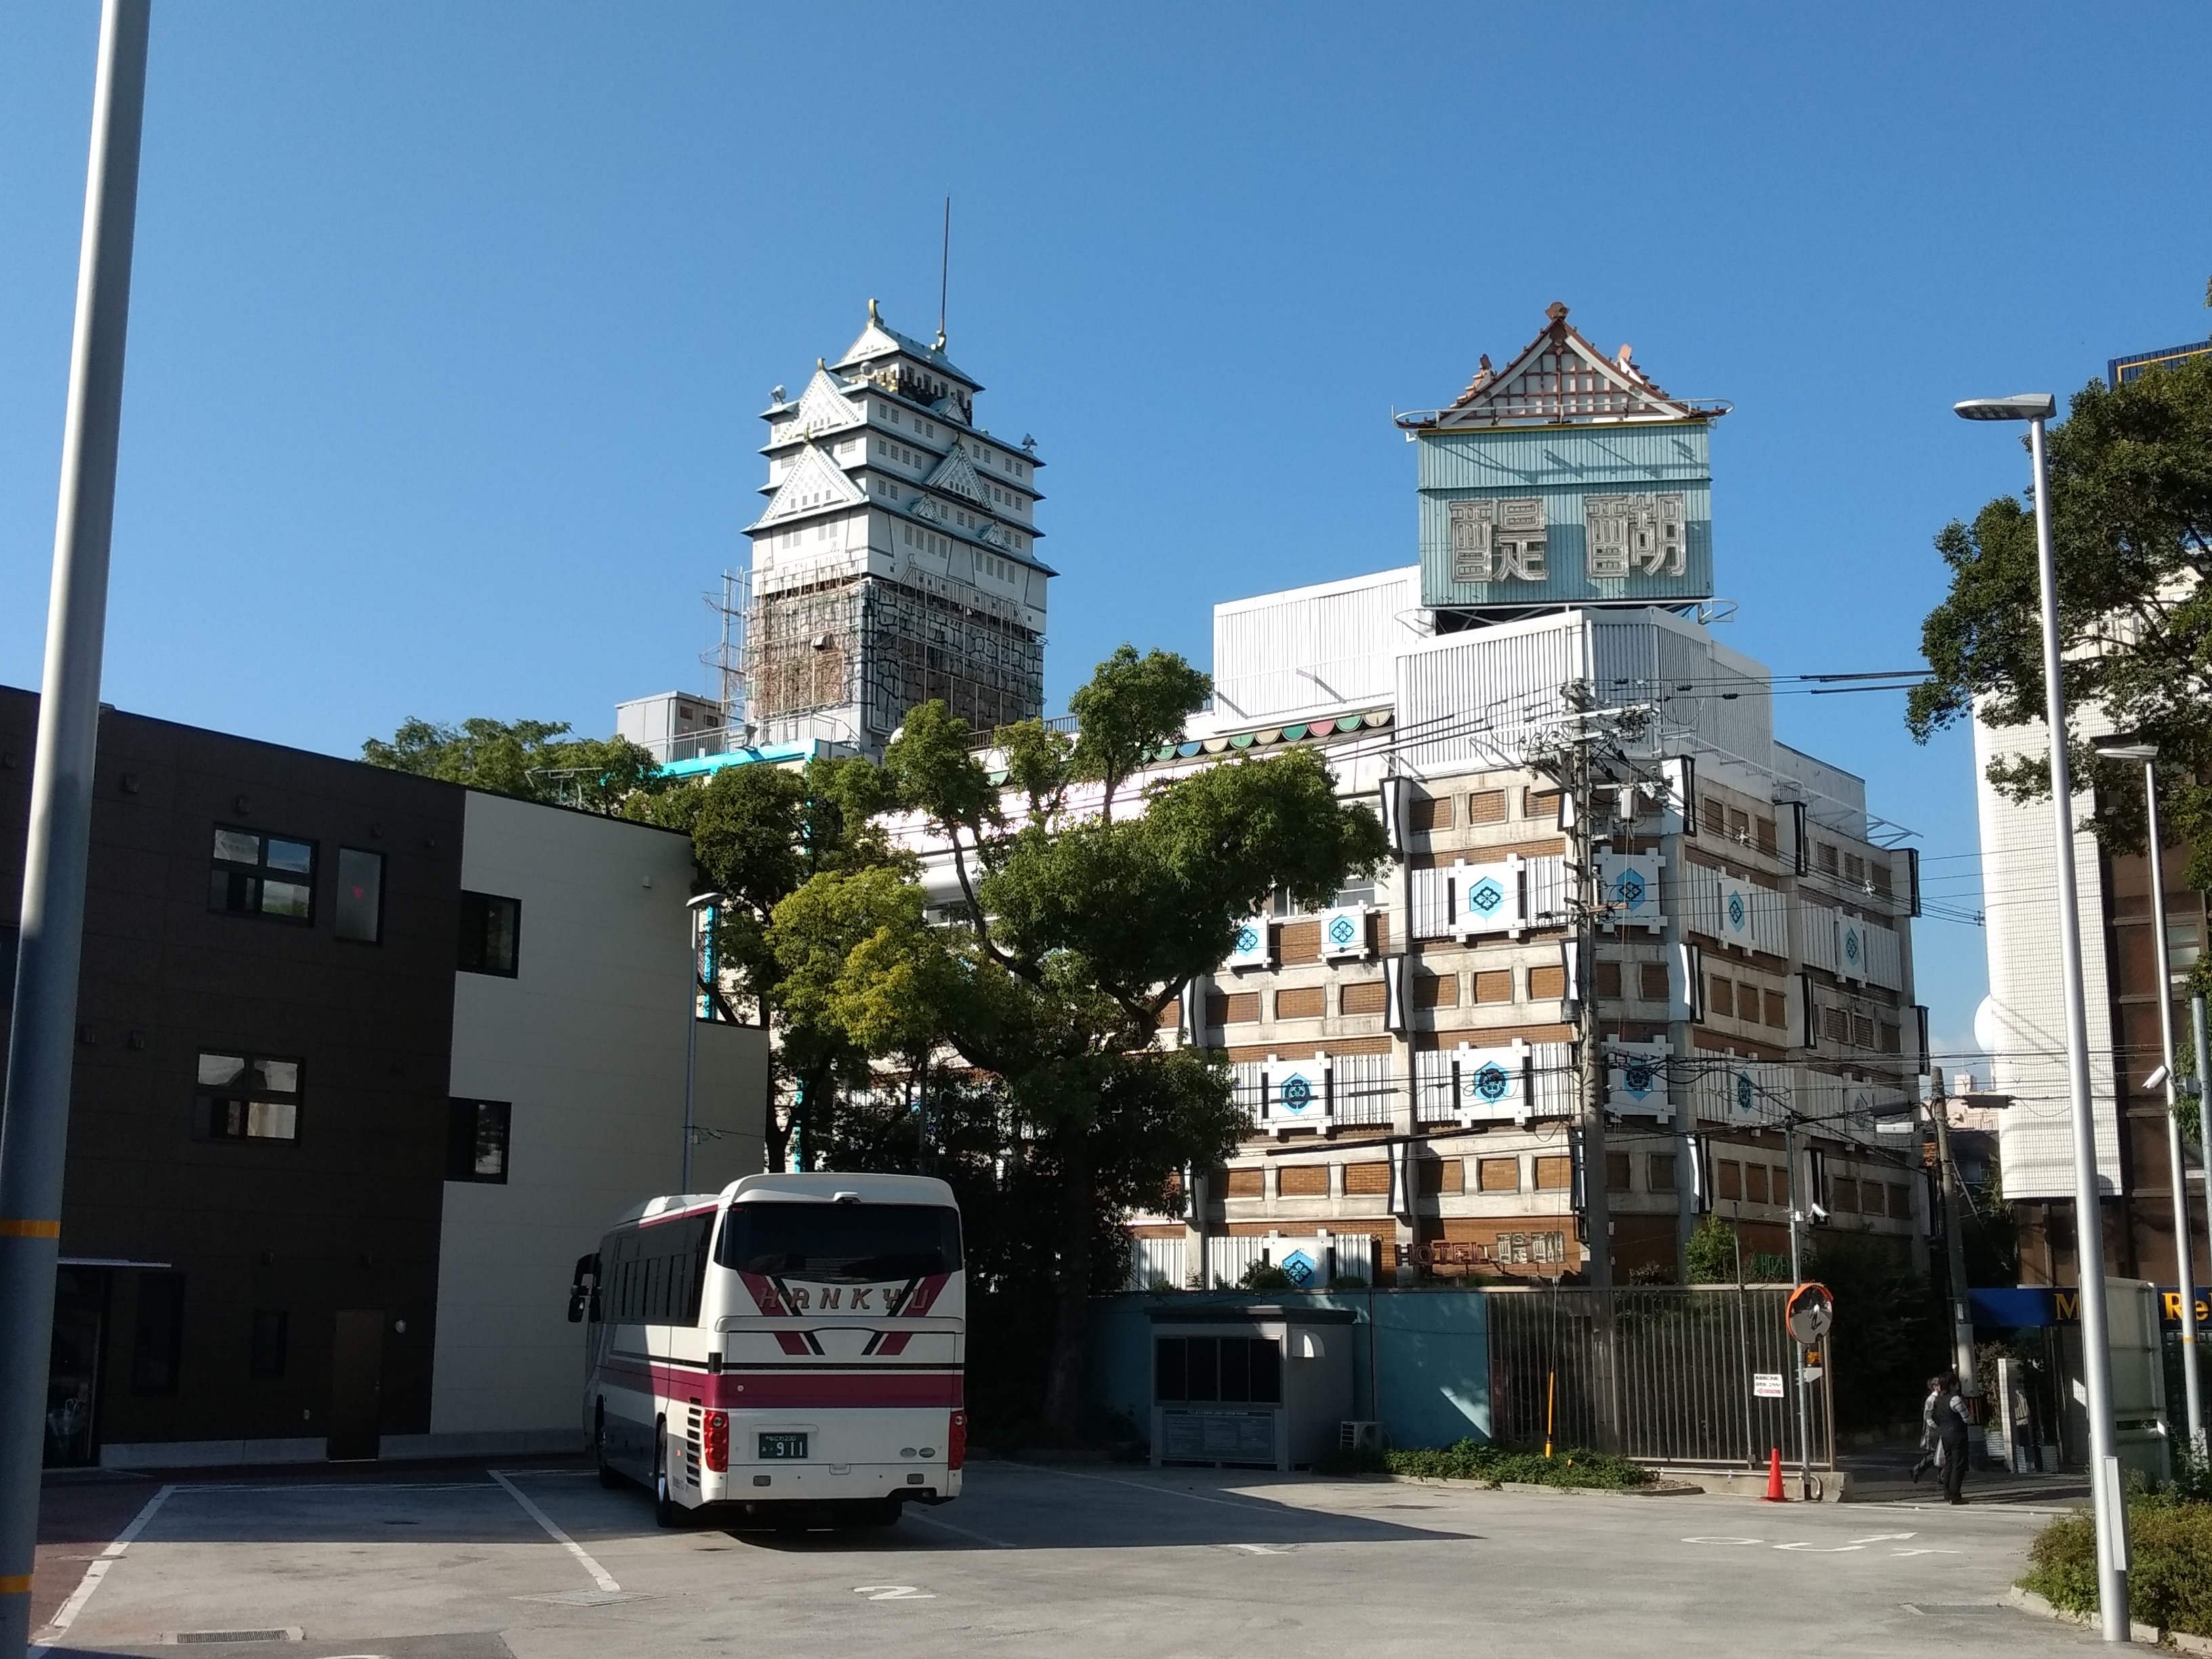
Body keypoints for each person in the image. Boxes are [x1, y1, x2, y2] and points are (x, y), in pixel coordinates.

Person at [1932, 1372, 1973, 1504]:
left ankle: (1947, 1492)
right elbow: (1967, 1419)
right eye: (1956, 1384)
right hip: (1957, 1434)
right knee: (1959, 1464)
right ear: (1951, 1385)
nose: (1957, 1386)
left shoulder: (1939, 1400)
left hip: (1945, 1435)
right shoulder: (1955, 1400)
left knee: (1949, 1463)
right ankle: (1955, 1495)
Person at [1909, 1374, 1945, 1483]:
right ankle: (1918, 1470)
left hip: (1939, 1428)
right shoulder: (1932, 1399)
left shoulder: (1940, 1398)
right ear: (1935, 1387)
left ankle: (1942, 1477)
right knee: (1935, 1454)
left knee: (1942, 1453)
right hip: (1934, 1430)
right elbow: (1928, 1417)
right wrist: (1935, 1427)